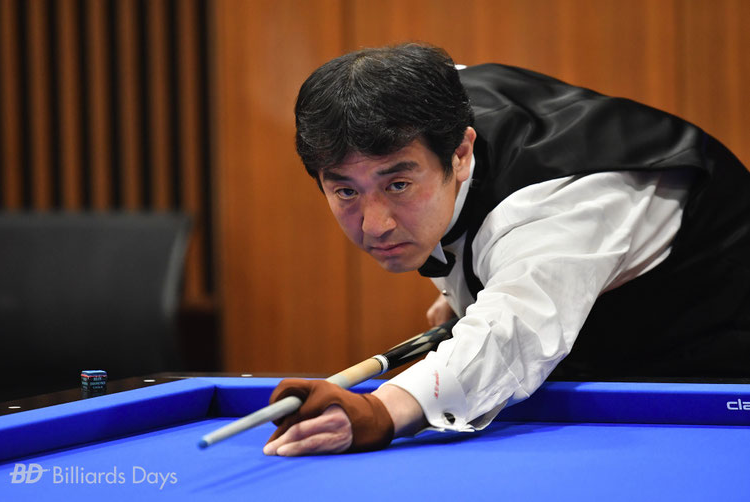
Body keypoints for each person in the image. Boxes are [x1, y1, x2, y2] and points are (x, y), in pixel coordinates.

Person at [263, 43, 750, 456]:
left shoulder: (558, 203)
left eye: (398, 185)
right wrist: (464, 288)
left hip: (715, 368)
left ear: (460, 153)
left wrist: (380, 412)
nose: (375, 225)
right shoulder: (426, 101)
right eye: (346, 191)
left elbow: (512, 330)